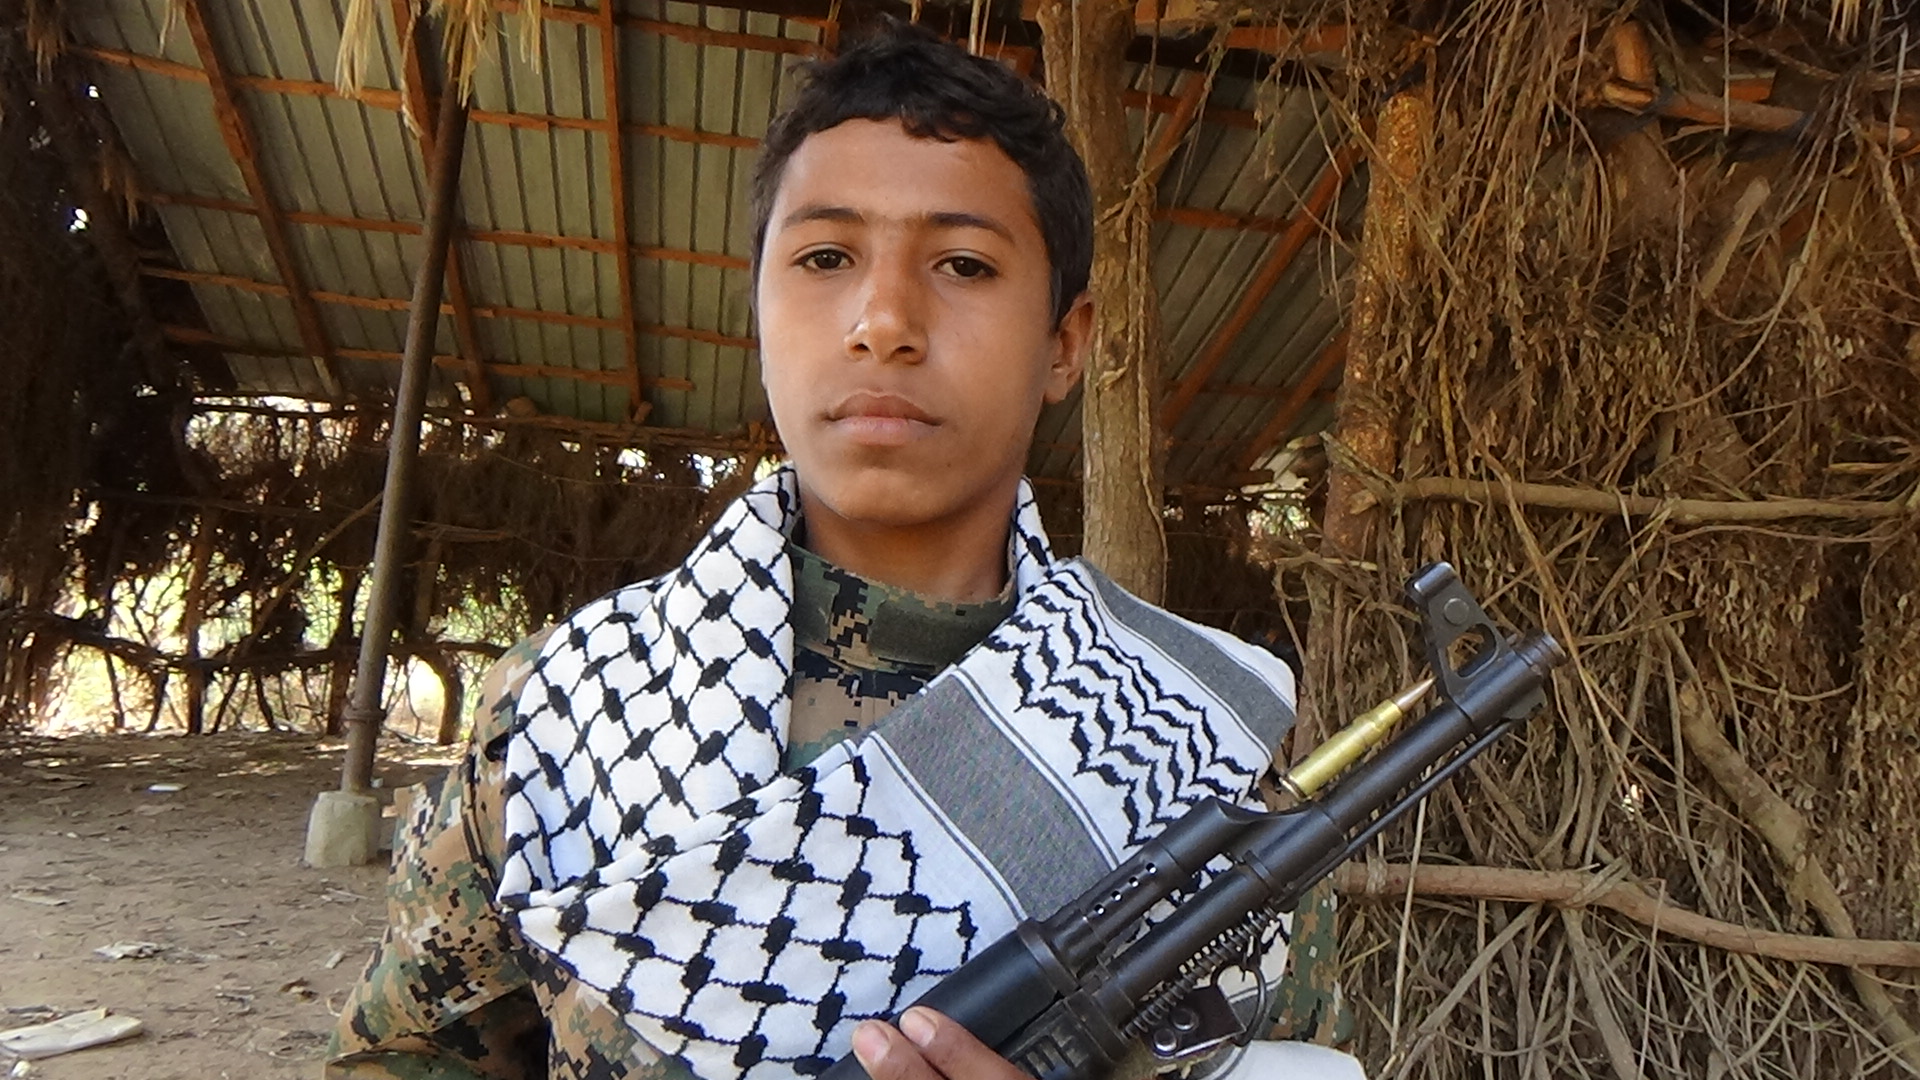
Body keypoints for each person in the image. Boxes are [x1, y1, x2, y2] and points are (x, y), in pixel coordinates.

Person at [326, 21, 1363, 1080]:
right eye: (825, 258)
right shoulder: (565, 708)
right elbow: (403, 1056)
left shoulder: (1196, 742)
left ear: (1065, 342)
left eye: (964, 264)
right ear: (759, 309)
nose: (884, 320)